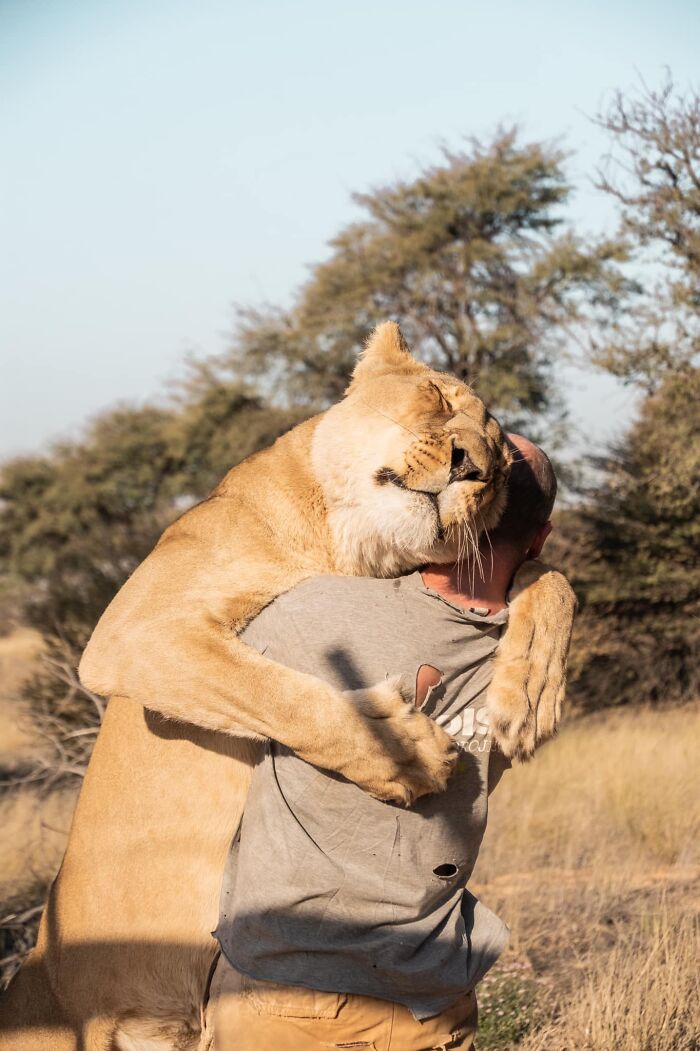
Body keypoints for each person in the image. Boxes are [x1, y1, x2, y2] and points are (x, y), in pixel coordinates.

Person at [201, 433, 557, 1051]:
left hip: (283, 991)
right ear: (541, 538)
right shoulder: (534, 669)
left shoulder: (311, 611)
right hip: (430, 996)